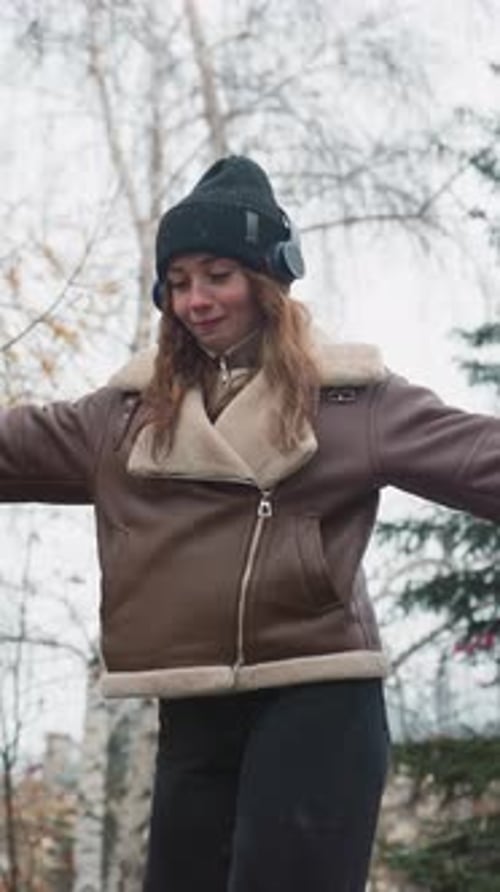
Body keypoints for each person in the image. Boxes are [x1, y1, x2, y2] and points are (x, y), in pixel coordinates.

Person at [1, 155, 499, 892]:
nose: (196, 299)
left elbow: (481, 457)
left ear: (267, 281)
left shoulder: (349, 403)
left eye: (217, 275)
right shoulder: (125, 418)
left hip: (318, 698)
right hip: (194, 703)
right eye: (178, 282)